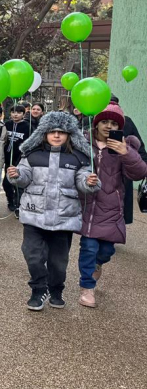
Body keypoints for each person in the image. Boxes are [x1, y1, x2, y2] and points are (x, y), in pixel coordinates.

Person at [7, 112, 99, 310]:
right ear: (44, 133)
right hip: (34, 215)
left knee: (58, 262)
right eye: (52, 131)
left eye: (61, 132)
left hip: (64, 217)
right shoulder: (31, 154)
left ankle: (56, 289)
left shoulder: (78, 157)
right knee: (32, 254)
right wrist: (16, 175)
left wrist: (89, 182)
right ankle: (39, 289)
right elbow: (24, 177)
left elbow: (82, 180)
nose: (56, 135)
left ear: (69, 134)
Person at [77, 102, 147, 308]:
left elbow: (139, 173)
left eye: (114, 124)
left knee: (106, 250)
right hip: (88, 206)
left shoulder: (125, 147)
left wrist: (126, 152)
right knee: (88, 247)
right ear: (96, 124)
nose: (109, 126)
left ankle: (98, 264)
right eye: (105, 122)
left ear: (119, 128)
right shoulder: (83, 143)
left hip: (112, 207)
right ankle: (87, 288)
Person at [109, 95, 147, 225]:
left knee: (120, 206)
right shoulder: (93, 122)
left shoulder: (126, 122)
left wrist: (143, 163)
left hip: (123, 171)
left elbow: (139, 147)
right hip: (100, 171)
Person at [3, 105, 31, 216]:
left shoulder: (27, 126)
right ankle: (10, 200)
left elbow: (29, 142)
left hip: (20, 159)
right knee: (6, 183)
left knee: (18, 183)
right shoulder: (7, 124)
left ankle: (18, 205)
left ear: (23, 114)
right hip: (7, 158)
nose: (15, 114)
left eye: (19, 112)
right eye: (13, 112)